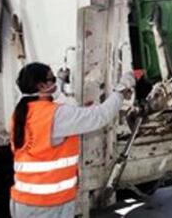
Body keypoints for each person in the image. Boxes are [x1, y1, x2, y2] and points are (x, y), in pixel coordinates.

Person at [9, 62, 136, 218]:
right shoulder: (56, 115)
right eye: (52, 79)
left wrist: (61, 83)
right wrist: (121, 89)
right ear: (41, 86)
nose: (55, 82)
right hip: (48, 206)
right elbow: (100, 116)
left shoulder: (20, 113)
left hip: (23, 202)